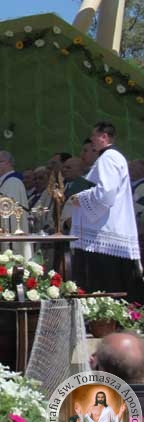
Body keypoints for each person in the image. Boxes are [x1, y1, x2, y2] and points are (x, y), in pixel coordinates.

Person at [71, 122, 142, 299]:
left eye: (94, 136)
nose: (92, 139)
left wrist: (80, 198)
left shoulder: (108, 158)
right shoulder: (113, 157)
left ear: (104, 137)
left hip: (105, 234)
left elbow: (106, 194)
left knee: (106, 286)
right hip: (111, 232)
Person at [0, 151, 29, 233]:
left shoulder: (13, 182)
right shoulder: (5, 181)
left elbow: (7, 208)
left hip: (11, 230)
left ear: (7, 163)